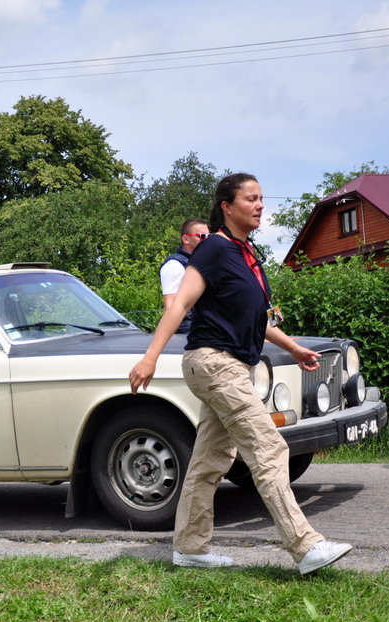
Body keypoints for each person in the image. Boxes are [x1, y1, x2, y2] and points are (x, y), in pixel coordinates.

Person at [129, 173, 352, 575]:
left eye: (262, 198)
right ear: (227, 207)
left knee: (210, 460)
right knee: (269, 448)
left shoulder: (246, 255)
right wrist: (149, 357)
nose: (260, 205)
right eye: (251, 199)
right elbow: (178, 306)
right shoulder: (213, 248)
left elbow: (254, 318)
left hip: (232, 365)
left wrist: (294, 347)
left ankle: (190, 548)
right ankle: (305, 547)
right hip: (214, 363)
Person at [159, 218, 209, 333]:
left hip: (203, 331)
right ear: (186, 239)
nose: (206, 240)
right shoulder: (174, 265)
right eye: (202, 236)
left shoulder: (201, 263)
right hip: (186, 333)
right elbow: (170, 306)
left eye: (209, 236)